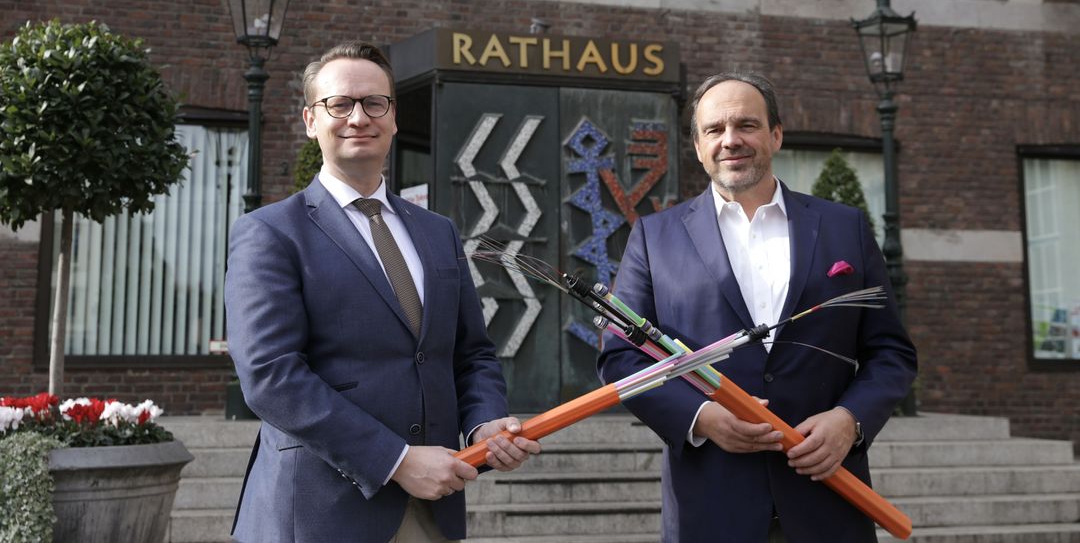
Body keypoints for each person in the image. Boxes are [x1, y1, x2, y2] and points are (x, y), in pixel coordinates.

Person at [225, 41, 540, 543]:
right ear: (310, 120)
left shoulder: (437, 231)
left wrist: (484, 425)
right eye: (339, 104)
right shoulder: (270, 232)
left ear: (393, 119)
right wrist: (393, 460)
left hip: (432, 506)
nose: (359, 117)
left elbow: (471, 352)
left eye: (375, 103)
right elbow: (270, 376)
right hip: (317, 512)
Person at [597, 72, 917, 543]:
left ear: (776, 135)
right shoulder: (653, 238)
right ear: (698, 146)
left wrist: (849, 420)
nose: (731, 140)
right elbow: (620, 357)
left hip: (828, 500)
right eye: (715, 130)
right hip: (710, 505)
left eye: (746, 125)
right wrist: (700, 418)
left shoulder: (843, 227)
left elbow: (891, 352)